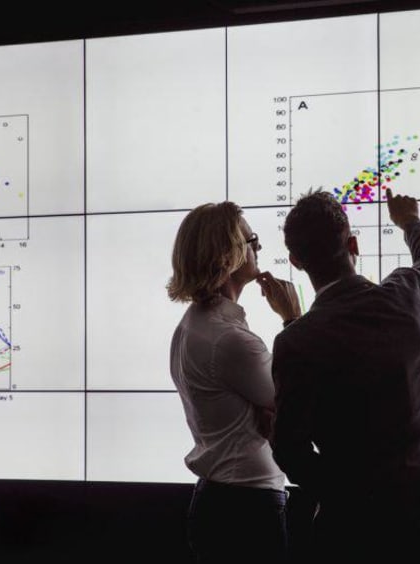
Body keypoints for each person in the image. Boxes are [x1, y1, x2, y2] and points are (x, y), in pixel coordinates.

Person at [269, 187, 420, 563]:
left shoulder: (296, 341)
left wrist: (347, 491)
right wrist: (409, 221)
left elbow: (288, 450)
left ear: (296, 262)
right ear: (353, 244)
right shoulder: (410, 296)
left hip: (352, 529)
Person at [167, 201, 301, 564]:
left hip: (222, 501)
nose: (257, 247)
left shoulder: (193, 326)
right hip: (247, 509)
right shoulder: (229, 340)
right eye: (250, 240)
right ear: (228, 255)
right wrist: (293, 320)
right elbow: (301, 403)